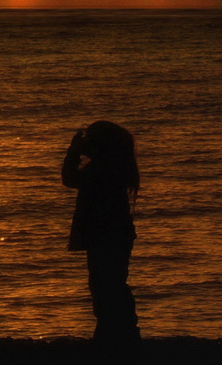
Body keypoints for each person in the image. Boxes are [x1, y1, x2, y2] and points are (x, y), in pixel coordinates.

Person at [62, 120, 140, 347]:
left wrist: (73, 151)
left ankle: (114, 338)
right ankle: (122, 335)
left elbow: (69, 179)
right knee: (112, 286)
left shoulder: (101, 169)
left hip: (105, 236)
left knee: (105, 289)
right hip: (114, 235)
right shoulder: (113, 166)